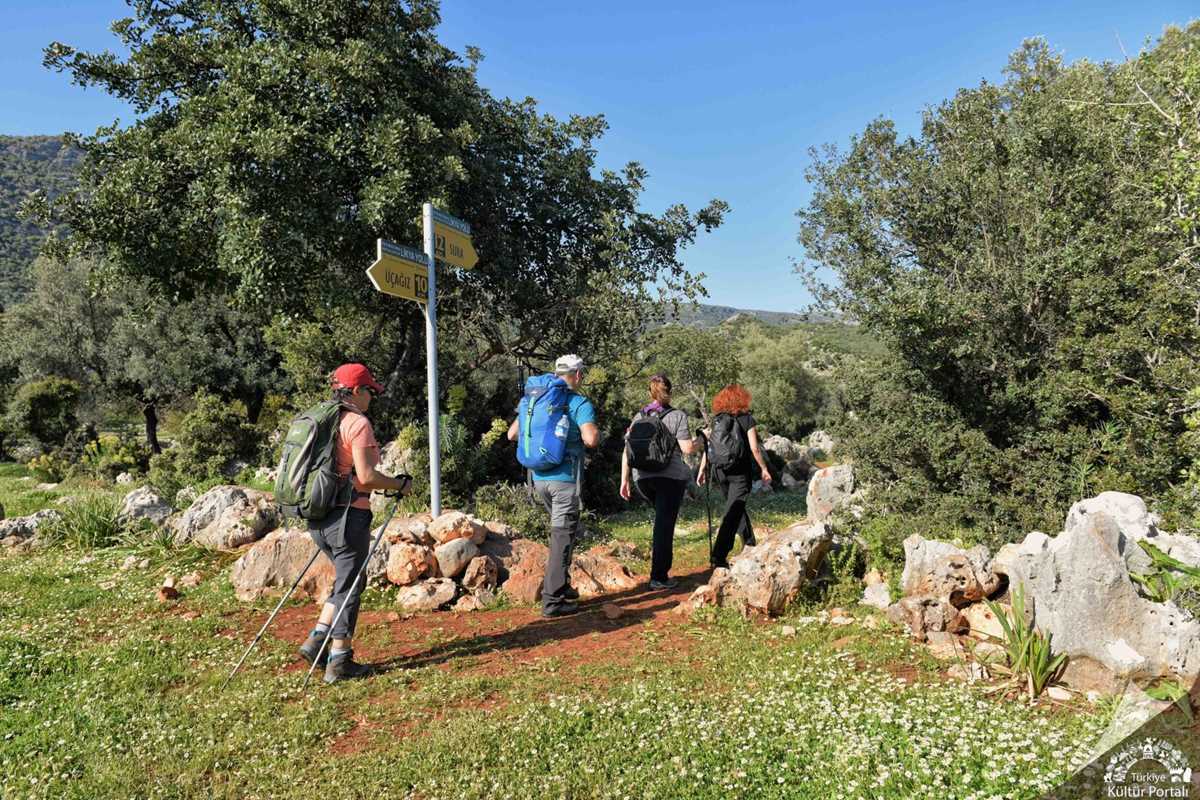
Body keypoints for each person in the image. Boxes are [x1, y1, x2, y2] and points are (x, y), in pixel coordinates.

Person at [298, 363, 412, 683]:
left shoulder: (320, 419)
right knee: (349, 587)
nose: (372, 397)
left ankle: (317, 639)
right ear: (357, 391)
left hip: (317, 516)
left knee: (349, 581)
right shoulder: (357, 423)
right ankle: (339, 661)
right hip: (349, 517)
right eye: (370, 391)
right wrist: (400, 485)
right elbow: (367, 476)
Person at [506, 354, 599, 617]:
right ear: (578, 375)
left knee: (563, 533)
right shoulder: (578, 402)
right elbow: (591, 439)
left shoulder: (535, 399)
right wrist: (594, 433)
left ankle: (563, 586)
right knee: (562, 536)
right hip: (565, 481)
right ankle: (552, 601)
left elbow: (512, 434)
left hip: (539, 480)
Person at [619, 374, 695, 589]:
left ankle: (659, 573)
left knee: (661, 520)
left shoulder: (638, 416)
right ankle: (659, 577)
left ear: (650, 392)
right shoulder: (677, 415)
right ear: (670, 391)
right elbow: (687, 449)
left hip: (642, 479)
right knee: (664, 525)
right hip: (670, 477)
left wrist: (624, 480)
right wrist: (702, 440)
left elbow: (627, 450)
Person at [698, 383, 773, 570]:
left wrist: (702, 468)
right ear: (742, 399)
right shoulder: (747, 419)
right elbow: (755, 448)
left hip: (720, 471)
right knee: (733, 512)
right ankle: (719, 556)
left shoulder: (717, 420)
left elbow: (710, 446)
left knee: (736, 507)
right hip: (740, 472)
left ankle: (750, 544)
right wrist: (764, 468)